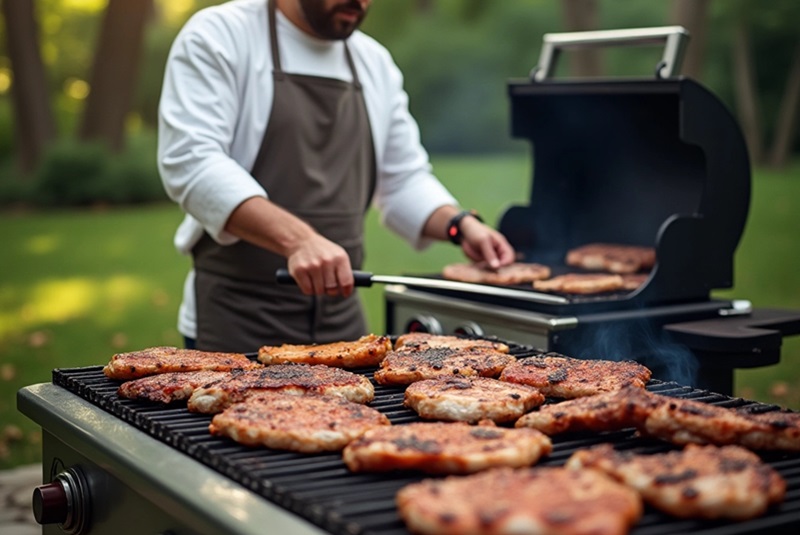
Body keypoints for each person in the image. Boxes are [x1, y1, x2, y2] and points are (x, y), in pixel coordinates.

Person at [157, 0, 516, 352]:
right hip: (238, 320)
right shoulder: (221, 35)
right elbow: (192, 160)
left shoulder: (373, 63)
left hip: (343, 324)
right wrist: (299, 240)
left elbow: (404, 178)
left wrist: (460, 224)